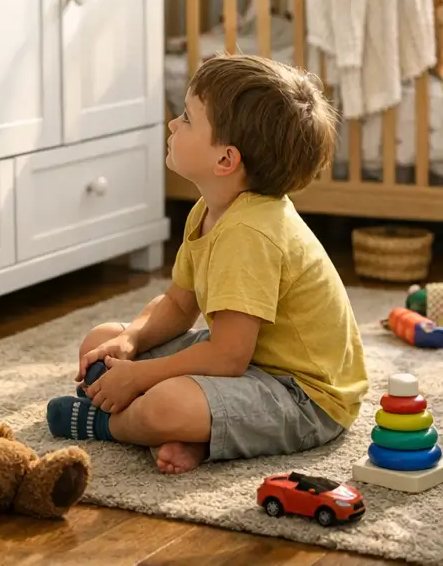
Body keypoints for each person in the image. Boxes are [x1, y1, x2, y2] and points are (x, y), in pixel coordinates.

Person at [46, 54, 368, 474]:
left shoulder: (250, 233)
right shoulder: (209, 209)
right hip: (246, 362)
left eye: (186, 118)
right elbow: (180, 305)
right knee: (101, 341)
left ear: (225, 161)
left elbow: (228, 357)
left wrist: (141, 379)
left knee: (165, 404)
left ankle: (116, 424)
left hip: (302, 395)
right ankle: (202, 435)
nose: (172, 124)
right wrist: (132, 341)